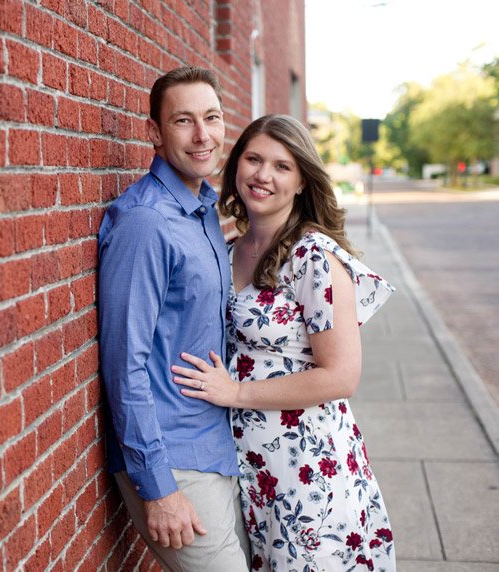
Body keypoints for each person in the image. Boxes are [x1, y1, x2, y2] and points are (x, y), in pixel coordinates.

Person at [171, 114, 397, 571]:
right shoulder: (229, 245)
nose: (263, 175)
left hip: (309, 466)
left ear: (300, 182)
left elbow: (341, 375)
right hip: (253, 463)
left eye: (281, 166)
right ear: (236, 165)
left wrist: (237, 393)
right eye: (254, 159)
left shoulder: (312, 256)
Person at [98, 66, 250, 571]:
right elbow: (124, 361)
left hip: (215, 444)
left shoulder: (202, 208)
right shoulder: (146, 220)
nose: (202, 134)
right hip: (173, 458)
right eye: (183, 120)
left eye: (212, 117)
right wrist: (158, 488)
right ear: (154, 133)